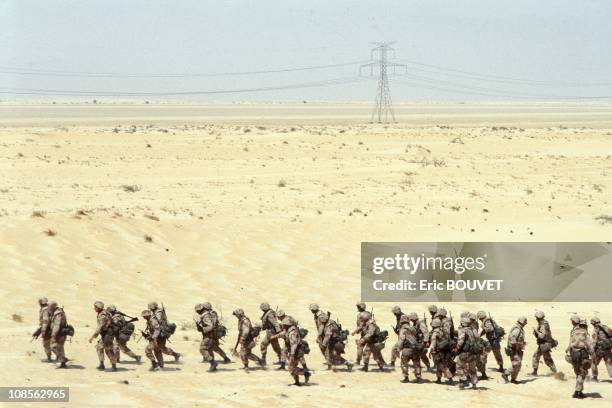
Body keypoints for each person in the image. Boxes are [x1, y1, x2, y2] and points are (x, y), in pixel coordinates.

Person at [195, 302, 231, 372]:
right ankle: (224, 359)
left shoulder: (206, 316)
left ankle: (213, 363)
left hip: (209, 336)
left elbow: (210, 326)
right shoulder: (213, 313)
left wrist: (203, 329)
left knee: (203, 349)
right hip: (214, 335)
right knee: (214, 348)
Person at [566, 317, 594, 399]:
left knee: (578, 372)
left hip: (574, 354)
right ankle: (578, 392)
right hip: (582, 354)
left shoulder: (574, 332)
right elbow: (590, 346)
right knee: (582, 373)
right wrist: (592, 355)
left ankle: (578, 391)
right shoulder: (585, 333)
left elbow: (570, 344)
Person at [88, 301, 117, 371]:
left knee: (108, 350)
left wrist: (92, 337)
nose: (94, 308)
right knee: (99, 347)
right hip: (106, 334)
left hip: (108, 335)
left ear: (98, 308)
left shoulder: (102, 315)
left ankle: (113, 365)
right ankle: (102, 364)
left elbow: (100, 327)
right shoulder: (104, 313)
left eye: (95, 307)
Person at [455, 317, 479, 389]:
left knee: (459, 367)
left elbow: (461, 341)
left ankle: (464, 380)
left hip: (464, 352)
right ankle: (474, 384)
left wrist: (457, 348)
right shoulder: (474, 330)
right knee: (472, 369)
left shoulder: (463, 331)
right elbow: (477, 339)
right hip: (473, 352)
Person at [501, 316, 527, 384]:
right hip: (514, 349)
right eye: (525, 322)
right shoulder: (517, 329)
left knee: (518, 365)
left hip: (518, 349)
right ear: (522, 322)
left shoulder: (520, 328)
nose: (525, 324)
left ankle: (513, 379)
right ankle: (505, 374)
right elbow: (512, 340)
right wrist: (518, 345)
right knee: (516, 364)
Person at [397, 314, 422, 383]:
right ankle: (418, 377)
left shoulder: (403, 329)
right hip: (415, 349)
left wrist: (398, 349)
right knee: (416, 363)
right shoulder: (413, 328)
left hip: (406, 349)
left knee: (404, 363)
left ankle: (406, 377)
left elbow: (401, 339)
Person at [531, 311, 557, 375]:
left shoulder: (543, 325)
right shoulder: (542, 323)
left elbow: (542, 336)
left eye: (536, 318)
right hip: (543, 344)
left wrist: (536, 331)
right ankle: (535, 371)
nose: (536, 319)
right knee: (536, 356)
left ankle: (555, 372)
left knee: (547, 359)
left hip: (545, 344)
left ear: (539, 318)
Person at [429, 318, 454, 384]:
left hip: (439, 351)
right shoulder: (445, 330)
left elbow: (433, 343)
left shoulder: (435, 332)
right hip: (445, 351)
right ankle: (438, 379)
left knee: (442, 366)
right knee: (439, 365)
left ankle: (450, 378)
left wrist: (430, 351)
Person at [590, 317, 612, 381]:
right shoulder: (606, 327)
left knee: (593, 363)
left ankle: (594, 377)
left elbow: (594, 341)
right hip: (607, 349)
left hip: (599, 350)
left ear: (593, 323)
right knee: (609, 364)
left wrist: (592, 350)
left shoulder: (596, 329)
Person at [48, 300, 68, 368]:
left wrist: (53, 335)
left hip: (59, 334)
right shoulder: (57, 312)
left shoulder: (58, 314)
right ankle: (63, 363)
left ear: (53, 307)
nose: (48, 307)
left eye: (49, 306)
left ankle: (63, 359)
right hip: (60, 333)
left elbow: (57, 325)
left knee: (53, 347)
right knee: (60, 348)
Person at [37, 297, 52, 361]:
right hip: (51, 328)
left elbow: (45, 320)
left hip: (47, 329)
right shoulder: (48, 308)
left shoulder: (45, 309)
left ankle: (49, 358)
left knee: (46, 343)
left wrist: (43, 330)